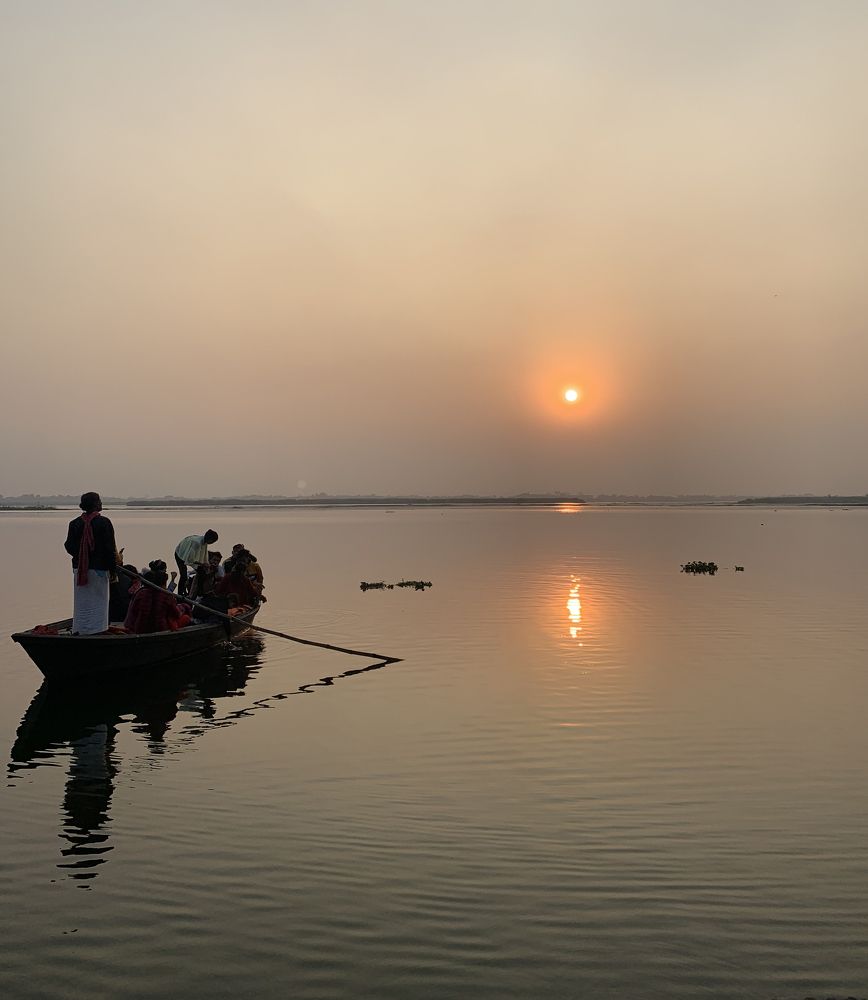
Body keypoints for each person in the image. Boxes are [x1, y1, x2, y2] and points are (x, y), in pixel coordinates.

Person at [64, 492, 120, 635]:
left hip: (80, 569)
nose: (101, 503)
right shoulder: (104, 523)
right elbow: (109, 549)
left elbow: (69, 546)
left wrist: (82, 556)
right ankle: (97, 630)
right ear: (95, 504)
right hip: (99, 569)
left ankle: (81, 629)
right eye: (99, 501)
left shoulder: (75, 523)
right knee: (99, 601)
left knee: (82, 601)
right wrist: (113, 571)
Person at [124, 568, 190, 634]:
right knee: (186, 617)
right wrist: (184, 607)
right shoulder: (153, 594)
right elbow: (176, 613)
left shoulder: (141, 592)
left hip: (137, 627)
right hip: (158, 628)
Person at [174, 529, 218, 597]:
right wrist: (202, 564)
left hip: (188, 553)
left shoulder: (204, 542)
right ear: (210, 540)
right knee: (183, 575)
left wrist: (206, 564)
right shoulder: (196, 543)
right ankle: (180, 594)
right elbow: (190, 559)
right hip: (180, 554)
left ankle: (200, 592)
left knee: (202, 572)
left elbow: (203, 555)